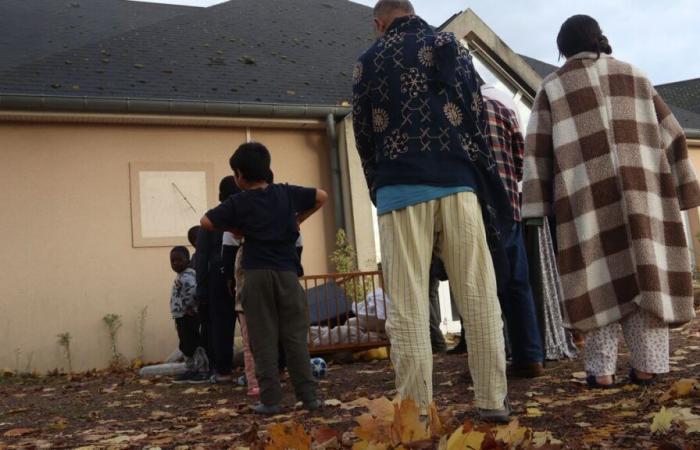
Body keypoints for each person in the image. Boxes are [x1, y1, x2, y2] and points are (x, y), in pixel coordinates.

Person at [352, 0, 513, 422]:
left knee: (406, 307)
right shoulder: (452, 47)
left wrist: (379, 187)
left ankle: (417, 410)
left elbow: (363, 134)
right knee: (477, 294)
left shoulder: (368, 61)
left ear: (378, 22)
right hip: (457, 182)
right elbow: (474, 115)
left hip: (399, 186)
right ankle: (492, 401)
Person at [522, 15, 700, 388]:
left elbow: (536, 154)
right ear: (599, 39)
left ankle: (601, 372)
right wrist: (686, 191)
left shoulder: (552, 88)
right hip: (643, 197)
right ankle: (649, 367)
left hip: (584, 202)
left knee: (596, 280)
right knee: (644, 277)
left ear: (563, 48)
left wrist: (535, 212)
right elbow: (674, 134)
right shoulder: (636, 77)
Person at [200, 142, 327, 415]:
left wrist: (239, 230)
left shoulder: (238, 201)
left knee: (263, 338)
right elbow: (322, 196)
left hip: (256, 274)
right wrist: (297, 220)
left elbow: (206, 222)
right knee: (295, 336)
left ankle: (270, 400)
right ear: (267, 169)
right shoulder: (286, 193)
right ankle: (308, 397)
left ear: (240, 176)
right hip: (288, 273)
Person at [482, 92, 545, 377]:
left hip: (475, 210)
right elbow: (522, 165)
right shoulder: (502, 110)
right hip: (509, 209)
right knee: (518, 284)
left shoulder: (452, 111)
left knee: (481, 288)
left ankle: (488, 364)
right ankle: (529, 356)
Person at [195, 177, 239, 383]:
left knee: (221, 326)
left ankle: (223, 371)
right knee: (255, 325)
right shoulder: (247, 214)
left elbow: (201, 257)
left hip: (218, 278)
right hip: (245, 274)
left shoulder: (212, 219)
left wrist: (201, 289)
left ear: (220, 196)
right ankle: (260, 369)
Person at [169, 246, 209, 384]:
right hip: (180, 315)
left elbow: (193, 291)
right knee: (185, 344)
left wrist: (190, 307)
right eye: (172, 261)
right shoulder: (181, 275)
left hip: (188, 315)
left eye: (179, 260)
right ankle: (191, 369)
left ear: (188, 261)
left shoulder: (188, 275)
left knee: (193, 342)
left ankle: (202, 370)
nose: (175, 263)